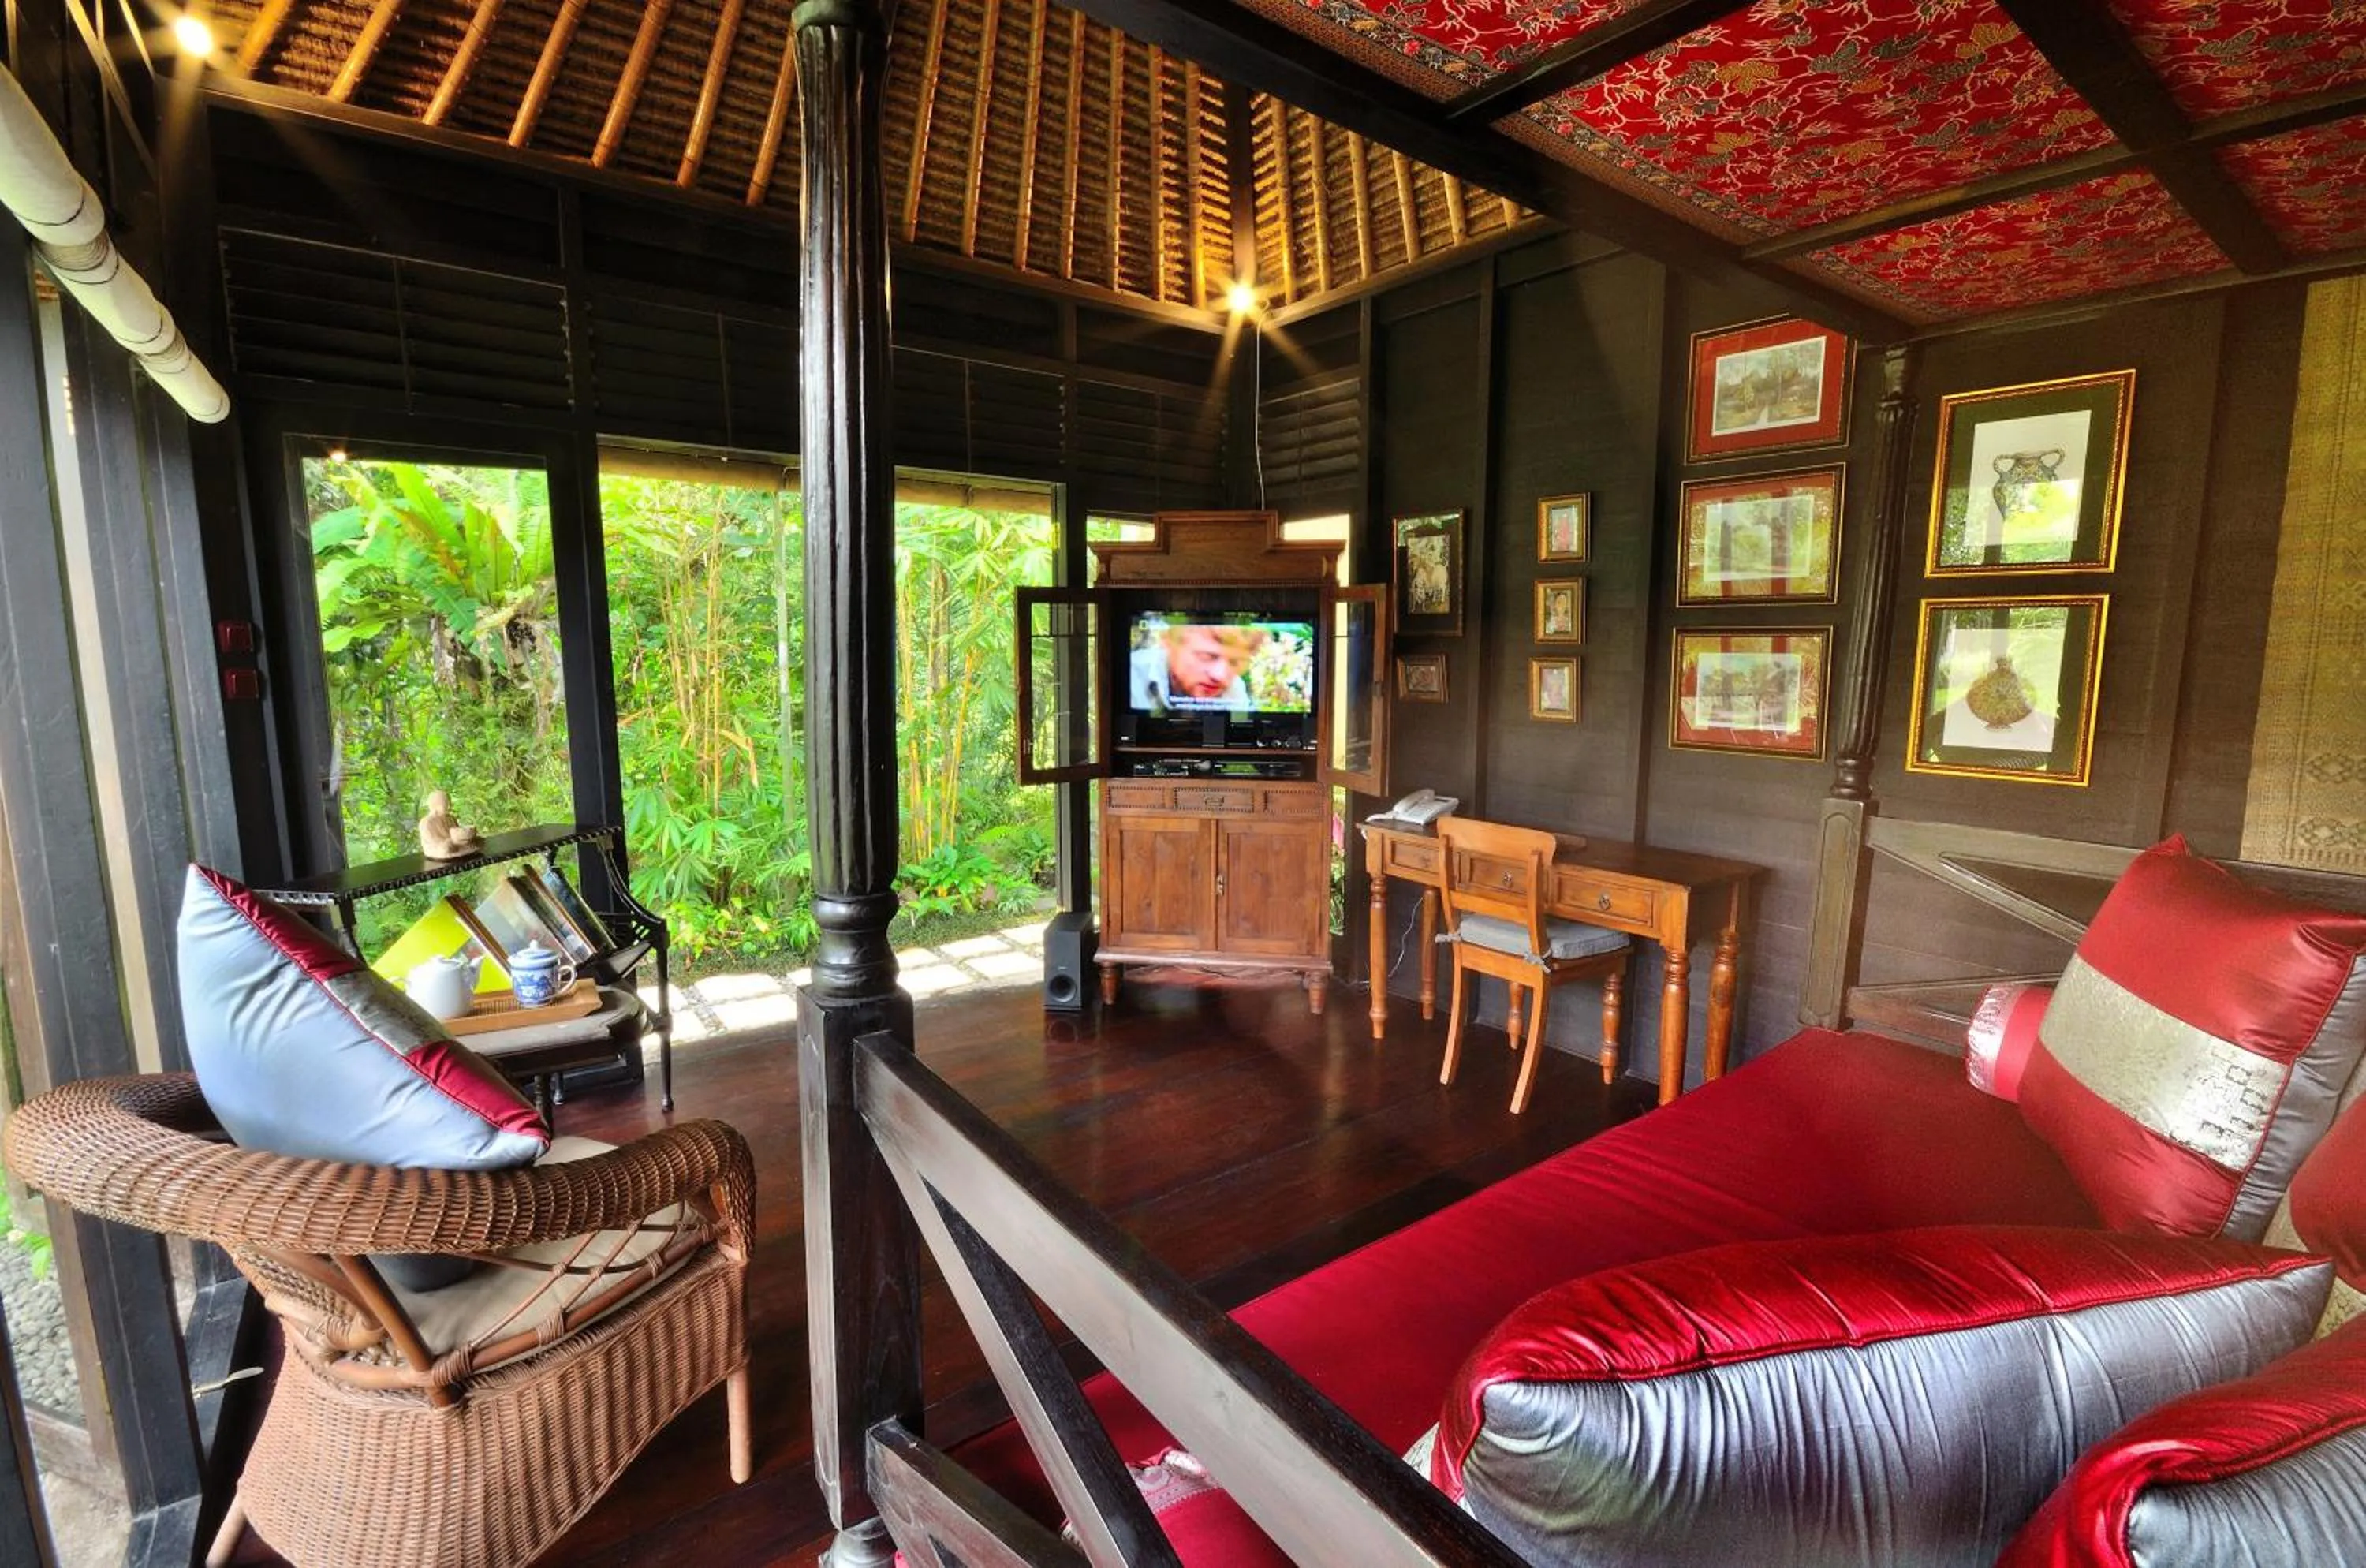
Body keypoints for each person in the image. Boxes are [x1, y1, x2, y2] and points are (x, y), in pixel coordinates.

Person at [1129, 622, 1267, 712]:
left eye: (1235, 662)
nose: (1220, 675)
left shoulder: (1235, 688)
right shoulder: (1130, 675)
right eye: (1207, 657)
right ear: (1169, 644)